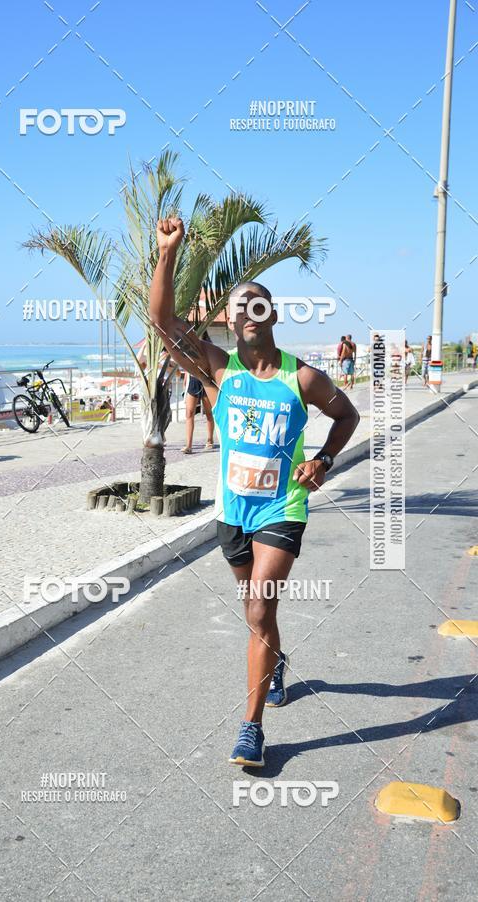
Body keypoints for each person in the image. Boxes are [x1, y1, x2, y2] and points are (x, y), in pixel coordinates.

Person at [150, 217, 360, 767]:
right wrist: (168, 253)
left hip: (282, 506)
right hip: (232, 512)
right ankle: (275, 659)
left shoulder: (303, 378)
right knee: (256, 616)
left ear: (272, 316)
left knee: (261, 604)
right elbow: (163, 320)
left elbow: (347, 414)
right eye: (237, 309)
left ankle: (251, 728)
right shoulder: (217, 370)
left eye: (256, 306)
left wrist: (323, 458)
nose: (245, 315)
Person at [182, 330, 215, 453]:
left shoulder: (209, 346)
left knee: (208, 413)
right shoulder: (189, 345)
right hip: (193, 380)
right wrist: (186, 377)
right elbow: (186, 363)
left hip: (206, 380)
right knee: (189, 412)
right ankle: (188, 445)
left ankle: (210, 440)